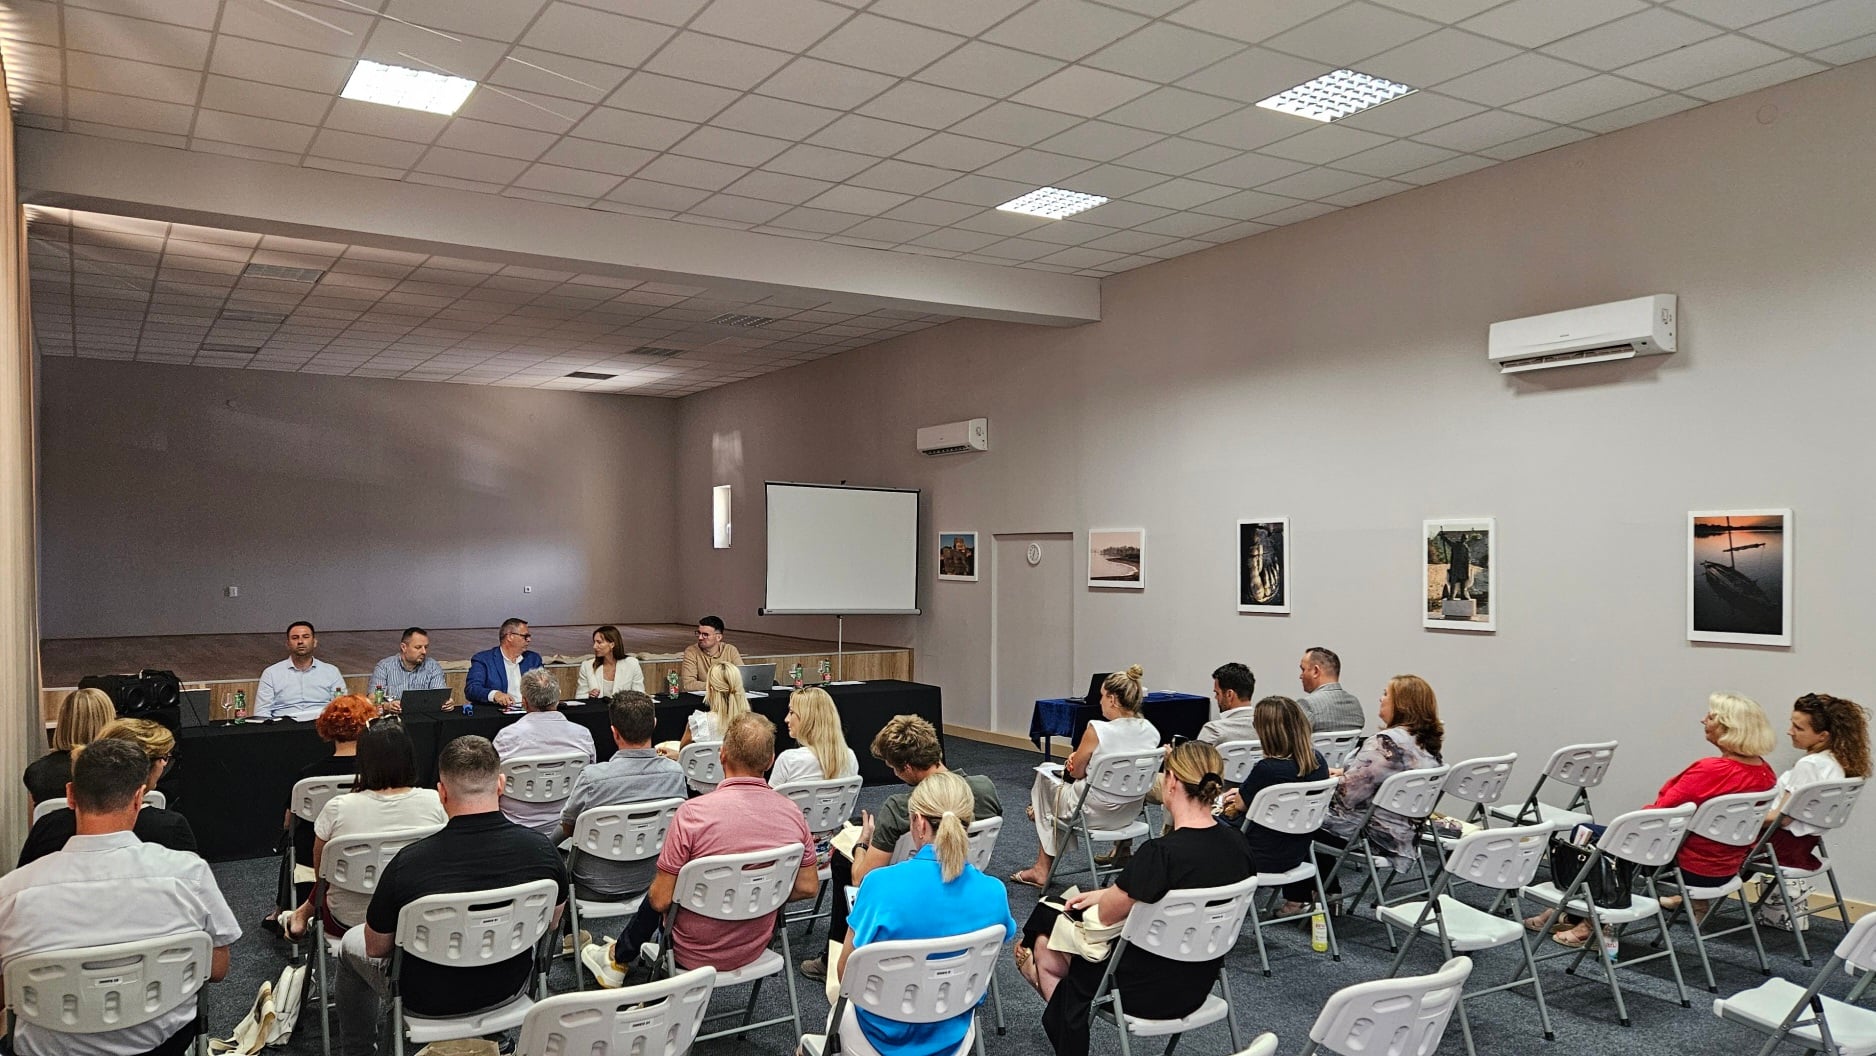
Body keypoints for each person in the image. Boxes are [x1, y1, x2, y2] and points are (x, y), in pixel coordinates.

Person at [0, 738, 239, 1056]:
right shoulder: (188, 875)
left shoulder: (13, 892)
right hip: (161, 1046)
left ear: (70, 795)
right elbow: (217, 967)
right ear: (140, 797)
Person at [1016, 741, 1253, 1056]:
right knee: (1058, 922)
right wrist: (1109, 893)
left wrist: (1105, 898)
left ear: (1171, 781)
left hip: (1140, 990)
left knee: (1046, 935)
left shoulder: (1161, 855)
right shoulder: (1238, 844)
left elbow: (1105, 916)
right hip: (1199, 982)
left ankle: (1059, 1016)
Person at [335, 736, 567, 1056]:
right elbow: (551, 923)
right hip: (510, 988)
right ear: (501, 784)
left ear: (442, 793)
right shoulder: (543, 852)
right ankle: (493, 1035)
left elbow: (376, 947)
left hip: (425, 999)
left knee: (349, 945)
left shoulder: (409, 864)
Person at [582, 713, 818, 986]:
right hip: (754, 946)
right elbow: (808, 887)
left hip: (692, 951)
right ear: (770, 760)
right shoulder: (792, 813)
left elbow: (659, 901)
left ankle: (618, 956)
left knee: (663, 887)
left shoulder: (692, 814)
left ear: (722, 755)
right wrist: (756, 896)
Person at [1539, 692, 1777, 947]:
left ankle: (1587, 923)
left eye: (1711, 717)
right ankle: (1572, 915)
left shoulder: (1712, 771)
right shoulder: (1764, 772)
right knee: (1609, 837)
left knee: (1587, 833)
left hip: (1685, 868)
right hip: (1725, 869)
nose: (1703, 720)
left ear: (1728, 727)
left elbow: (1657, 815)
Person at [803, 713, 1003, 981]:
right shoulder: (985, 789)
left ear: (907, 767)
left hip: (909, 887)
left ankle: (833, 954)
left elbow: (862, 877)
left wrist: (863, 841)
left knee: (842, 859)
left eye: (893, 768)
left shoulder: (901, 807)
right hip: (965, 876)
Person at [838, 771, 1018, 1053]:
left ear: (920, 823)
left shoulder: (880, 885)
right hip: (953, 1032)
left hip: (878, 1035)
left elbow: (845, 973)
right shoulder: (994, 892)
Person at [284, 717, 446, 941]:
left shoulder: (338, 808)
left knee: (328, 876)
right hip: (417, 916)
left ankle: (301, 914)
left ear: (362, 760)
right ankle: (301, 915)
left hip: (346, 919)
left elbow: (322, 875)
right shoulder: (436, 802)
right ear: (411, 758)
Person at [1013, 666, 1159, 889]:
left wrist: (1074, 760)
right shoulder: (1151, 731)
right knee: (1054, 794)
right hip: (1130, 813)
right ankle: (1045, 815)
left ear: (1112, 699)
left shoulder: (1097, 730)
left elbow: (1075, 773)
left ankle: (1041, 867)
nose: (1100, 702)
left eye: (1102, 696)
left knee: (1044, 776)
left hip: (1090, 813)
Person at [1312, 675, 1443, 894]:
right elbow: (1392, 777)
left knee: (1299, 820)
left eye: (1385, 694)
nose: (1380, 699)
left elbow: (1347, 797)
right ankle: (1323, 893)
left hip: (1370, 836)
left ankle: (1309, 897)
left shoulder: (1385, 743)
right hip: (1404, 835)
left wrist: (1328, 782)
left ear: (1401, 704)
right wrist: (1346, 773)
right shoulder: (1426, 745)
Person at [558, 691, 687, 903]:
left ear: (614, 733)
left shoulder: (592, 778)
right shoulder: (675, 774)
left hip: (593, 883)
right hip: (652, 878)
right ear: (654, 724)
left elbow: (568, 828)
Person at [265, 693, 375, 935]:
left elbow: (288, 823)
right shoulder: (377, 774)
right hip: (366, 852)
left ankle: (283, 910)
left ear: (328, 727)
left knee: (294, 841)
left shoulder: (308, 776)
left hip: (312, 856)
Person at [19, 718, 197, 866]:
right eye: (164, 757)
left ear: (71, 794)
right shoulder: (170, 828)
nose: (165, 764)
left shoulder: (48, 826)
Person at [1220, 695, 1331, 913]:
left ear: (1266, 732)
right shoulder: (1318, 761)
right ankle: (1296, 899)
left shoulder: (1268, 768)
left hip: (1257, 856)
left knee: (1203, 823)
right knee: (1290, 820)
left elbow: (1239, 805)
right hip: (1298, 852)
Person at [1766, 692, 1870, 872]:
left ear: (1823, 736)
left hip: (1779, 846)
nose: (1790, 731)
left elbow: (1781, 819)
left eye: (1798, 728)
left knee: (1717, 842)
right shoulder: (1835, 763)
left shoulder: (1809, 764)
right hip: (1804, 846)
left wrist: (1746, 819)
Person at [493, 669, 599, 835]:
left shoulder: (506, 737)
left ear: (524, 701)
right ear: (558, 698)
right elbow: (589, 780)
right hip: (564, 829)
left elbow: (491, 785)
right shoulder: (582, 735)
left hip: (514, 827)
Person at [22, 686, 115, 807]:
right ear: (108, 722)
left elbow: (37, 817)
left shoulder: (36, 773)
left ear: (63, 722)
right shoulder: (120, 770)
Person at [257, 620, 348, 721]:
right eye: (295, 638)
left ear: (314, 642)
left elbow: (342, 707)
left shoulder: (331, 671)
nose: (300, 641)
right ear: (288, 644)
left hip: (321, 724)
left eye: (305, 637)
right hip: (283, 725)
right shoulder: (271, 673)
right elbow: (262, 712)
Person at [659, 660, 750, 760]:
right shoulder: (752, 725)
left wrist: (676, 755)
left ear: (710, 690)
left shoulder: (699, 723)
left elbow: (684, 758)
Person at [770, 686, 859, 788]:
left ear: (808, 719)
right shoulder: (849, 757)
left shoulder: (789, 760)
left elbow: (768, 797)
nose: (786, 719)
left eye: (791, 712)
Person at [465, 617, 542, 708]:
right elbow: (472, 689)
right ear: (510, 636)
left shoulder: (533, 659)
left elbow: (543, 687)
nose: (529, 640)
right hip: (497, 713)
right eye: (525, 636)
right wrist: (495, 695)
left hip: (529, 712)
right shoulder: (483, 660)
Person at [368, 627, 446, 707]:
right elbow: (372, 699)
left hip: (424, 713)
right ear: (403, 647)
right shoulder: (384, 667)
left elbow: (440, 696)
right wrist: (387, 706)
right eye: (418, 647)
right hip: (392, 713)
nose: (424, 652)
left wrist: (446, 703)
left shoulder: (433, 666)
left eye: (425, 647)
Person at [1296, 646, 1364, 733]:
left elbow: (1293, 738)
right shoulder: (1355, 704)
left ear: (1316, 671)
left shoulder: (1307, 705)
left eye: (1303, 669)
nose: (1301, 676)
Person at [1196, 662, 1258, 744]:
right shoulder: (1268, 727)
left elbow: (1196, 753)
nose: (1215, 697)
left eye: (1217, 693)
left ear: (1229, 694)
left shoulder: (1213, 731)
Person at [578, 625, 645, 699]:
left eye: (599, 642)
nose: (594, 646)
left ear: (612, 644)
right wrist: (589, 696)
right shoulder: (587, 666)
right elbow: (579, 696)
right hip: (595, 706)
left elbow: (640, 695)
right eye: (594, 642)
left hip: (623, 706)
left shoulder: (632, 664)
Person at [679, 615, 743, 692]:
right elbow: (688, 685)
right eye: (698, 633)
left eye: (705, 635)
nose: (700, 638)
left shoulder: (730, 650)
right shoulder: (691, 651)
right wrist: (718, 686)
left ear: (718, 637)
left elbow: (742, 678)